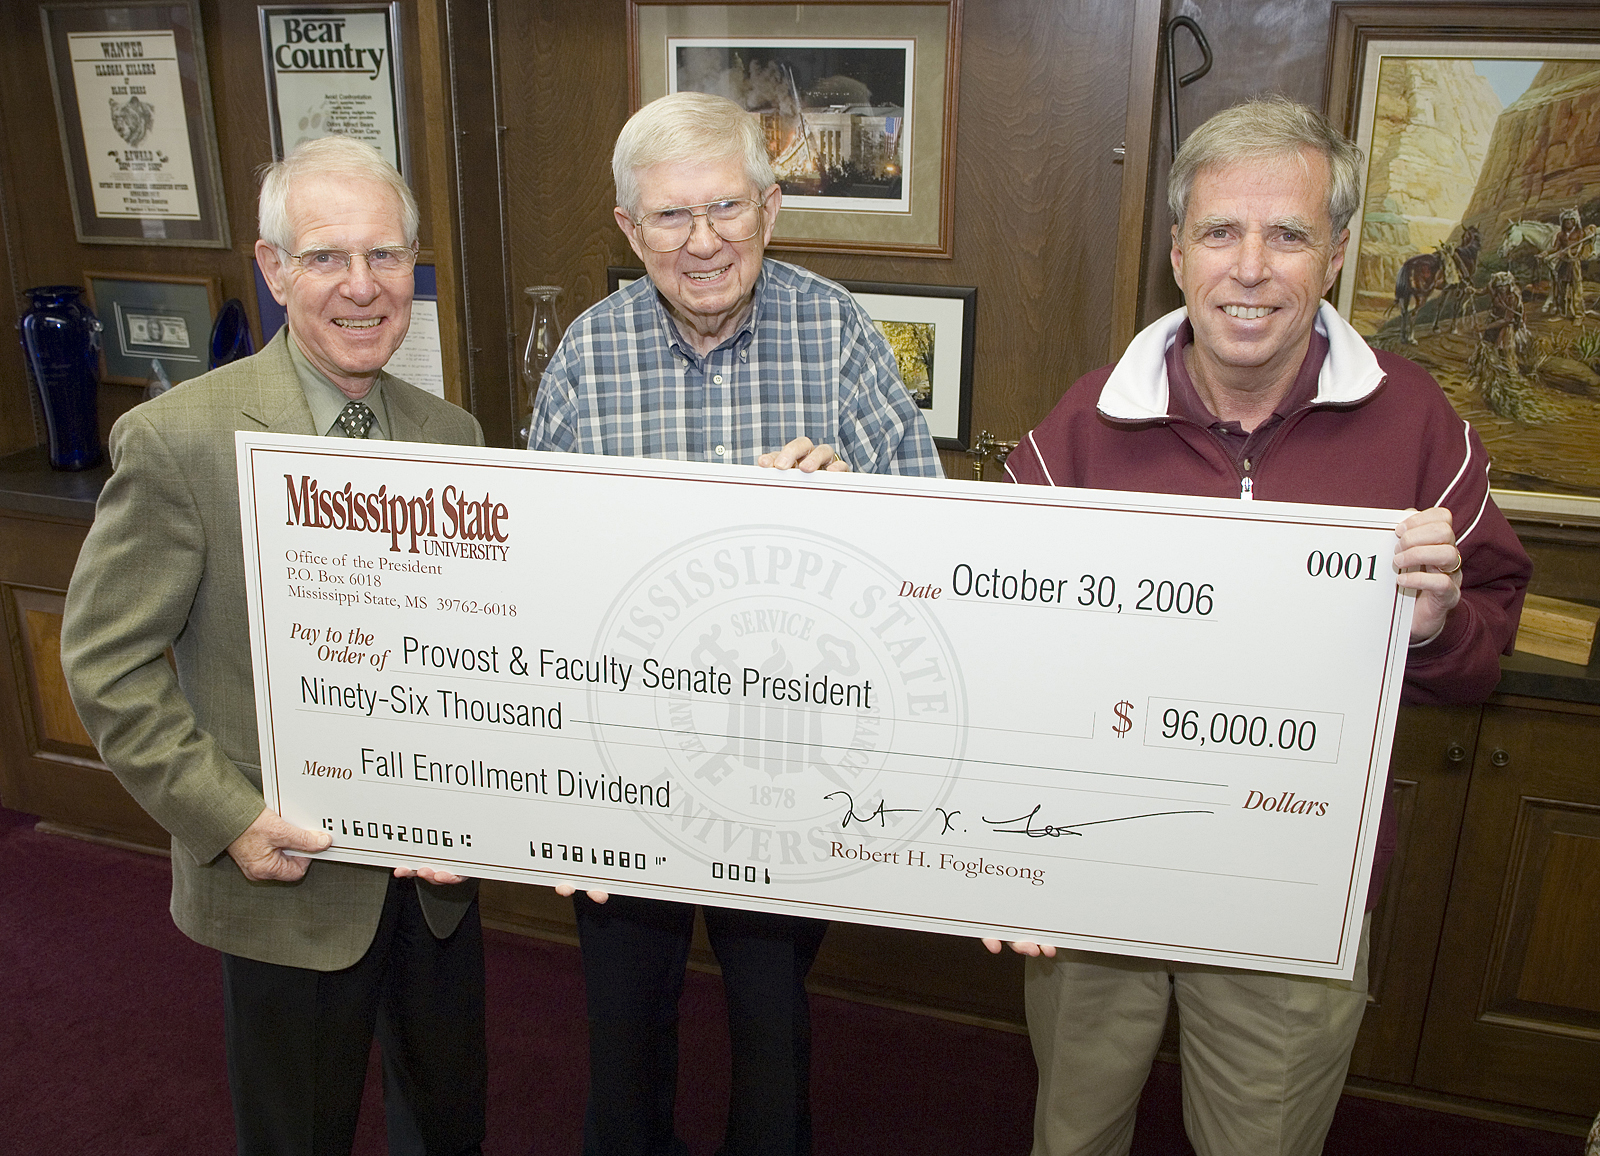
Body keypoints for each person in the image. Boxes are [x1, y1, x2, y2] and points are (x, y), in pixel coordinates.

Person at [996, 96, 1532, 1156]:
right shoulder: (1083, 423)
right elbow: (994, 644)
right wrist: (998, 849)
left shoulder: (1418, 423)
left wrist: (1430, 631)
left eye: (1286, 234)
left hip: (1291, 886)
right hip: (1095, 870)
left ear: (1333, 254)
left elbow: (1485, 646)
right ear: (1176, 254)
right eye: (1219, 232)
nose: (1250, 267)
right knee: (1072, 1133)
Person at [528, 90, 941, 1156]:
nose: (702, 242)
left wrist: (857, 502)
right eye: (670, 217)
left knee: (772, 1030)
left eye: (725, 208)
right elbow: (535, 574)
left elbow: (931, 544)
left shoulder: (838, 331)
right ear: (629, 229)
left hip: (785, 765)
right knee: (621, 1034)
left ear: (768, 209)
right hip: (625, 761)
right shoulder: (584, 353)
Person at [61, 136, 488, 1156]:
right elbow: (106, 665)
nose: (361, 287)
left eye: (386, 257)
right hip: (283, 876)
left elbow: (472, 650)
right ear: (273, 266)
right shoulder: (184, 438)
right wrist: (230, 818)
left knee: (449, 1126)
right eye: (328, 257)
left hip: (434, 891)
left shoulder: (453, 435)